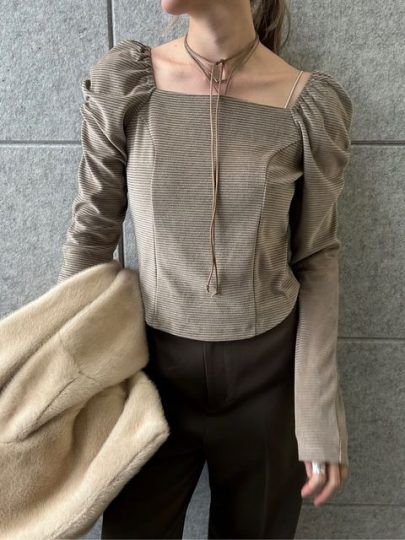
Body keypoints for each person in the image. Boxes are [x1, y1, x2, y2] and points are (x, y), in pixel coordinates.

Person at [57, 0, 353, 538]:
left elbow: (316, 257)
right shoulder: (128, 84)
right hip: (151, 378)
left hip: (269, 384)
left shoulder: (308, 105)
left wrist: (318, 414)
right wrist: (62, 386)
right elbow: (92, 234)